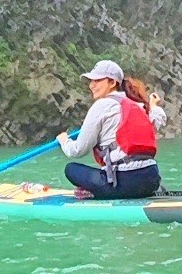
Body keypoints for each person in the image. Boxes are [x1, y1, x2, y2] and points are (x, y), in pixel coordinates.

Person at [59, 60, 162, 200]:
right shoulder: (138, 105)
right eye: (91, 81)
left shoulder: (102, 105)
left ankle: (95, 192)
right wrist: (154, 106)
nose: (91, 85)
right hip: (151, 179)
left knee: (71, 169)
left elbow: (78, 150)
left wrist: (64, 141)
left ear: (112, 83)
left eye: (97, 80)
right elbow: (157, 121)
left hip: (125, 183)